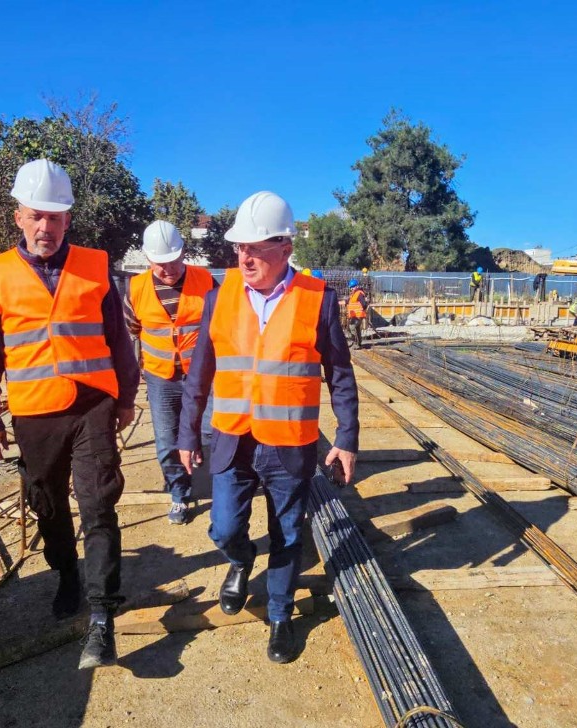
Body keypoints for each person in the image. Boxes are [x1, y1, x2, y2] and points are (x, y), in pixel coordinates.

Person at [0, 159, 139, 670]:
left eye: (56, 217)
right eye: (37, 216)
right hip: (35, 412)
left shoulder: (95, 266)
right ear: (19, 217)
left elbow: (118, 340)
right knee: (48, 504)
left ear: (68, 220)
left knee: (98, 503)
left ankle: (103, 615)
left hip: (92, 404)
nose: (46, 227)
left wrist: (125, 397)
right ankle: (66, 572)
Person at [177, 191, 359, 664]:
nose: (245, 257)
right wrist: (187, 433)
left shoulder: (318, 300)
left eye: (257, 248)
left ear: (285, 248)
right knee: (223, 528)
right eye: (241, 247)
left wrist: (346, 438)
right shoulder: (218, 298)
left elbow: (340, 374)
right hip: (232, 439)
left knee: (289, 535)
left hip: (289, 444)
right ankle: (240, 560)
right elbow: (199, 373)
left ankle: (280, 615)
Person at [124, 220, 216, 525]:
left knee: (210, 431)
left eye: (174, 261)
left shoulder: (205, 281)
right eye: (160, 264)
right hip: (161, 379)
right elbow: (131, 330)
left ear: (183, 252)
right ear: (148, 259)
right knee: (166, 441)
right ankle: (179, 492)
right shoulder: (135, 289)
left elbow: (222, 323)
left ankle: (215, 480)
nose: (168, 269)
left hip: (203, 376)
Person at [347, 278, 369, 349]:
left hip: (358, 315)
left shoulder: (359, 293)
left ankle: (355, 343)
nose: (351, 288)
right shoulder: (353, 294)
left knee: (352, 326)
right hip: (355, 315)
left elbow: (364, 304)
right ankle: (359, 343)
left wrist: (362, 310)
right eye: (351, 287)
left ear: (356, 286)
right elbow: (348, 301)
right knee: (357, 328)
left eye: (353, 287)